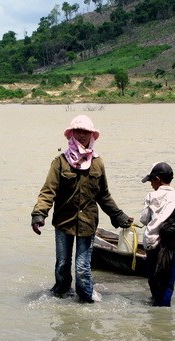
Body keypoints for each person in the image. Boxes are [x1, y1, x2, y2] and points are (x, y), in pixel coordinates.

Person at [31, 115, 132, 303]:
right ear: (71, 134)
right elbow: (48, 191)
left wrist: (119, 216)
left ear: (92, 135)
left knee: (82, 267)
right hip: (64, 221)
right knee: (62, 264)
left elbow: (103, 194)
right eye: (78, 131)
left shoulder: (97, 162)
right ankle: (61, 293)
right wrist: (39, 214)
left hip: (88, 223)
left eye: (86, 132)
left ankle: (86, 300)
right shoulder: (60, 162)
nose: (82, 135)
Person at [140, 162, 175, 307]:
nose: (151, 185)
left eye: (151, 181)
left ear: (158, 179)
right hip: (168, 243)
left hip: (151, 243)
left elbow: (143, 219)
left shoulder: (150, 196)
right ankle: (163, 310)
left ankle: (156, 303)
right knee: (167, 280)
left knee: (153, 277)